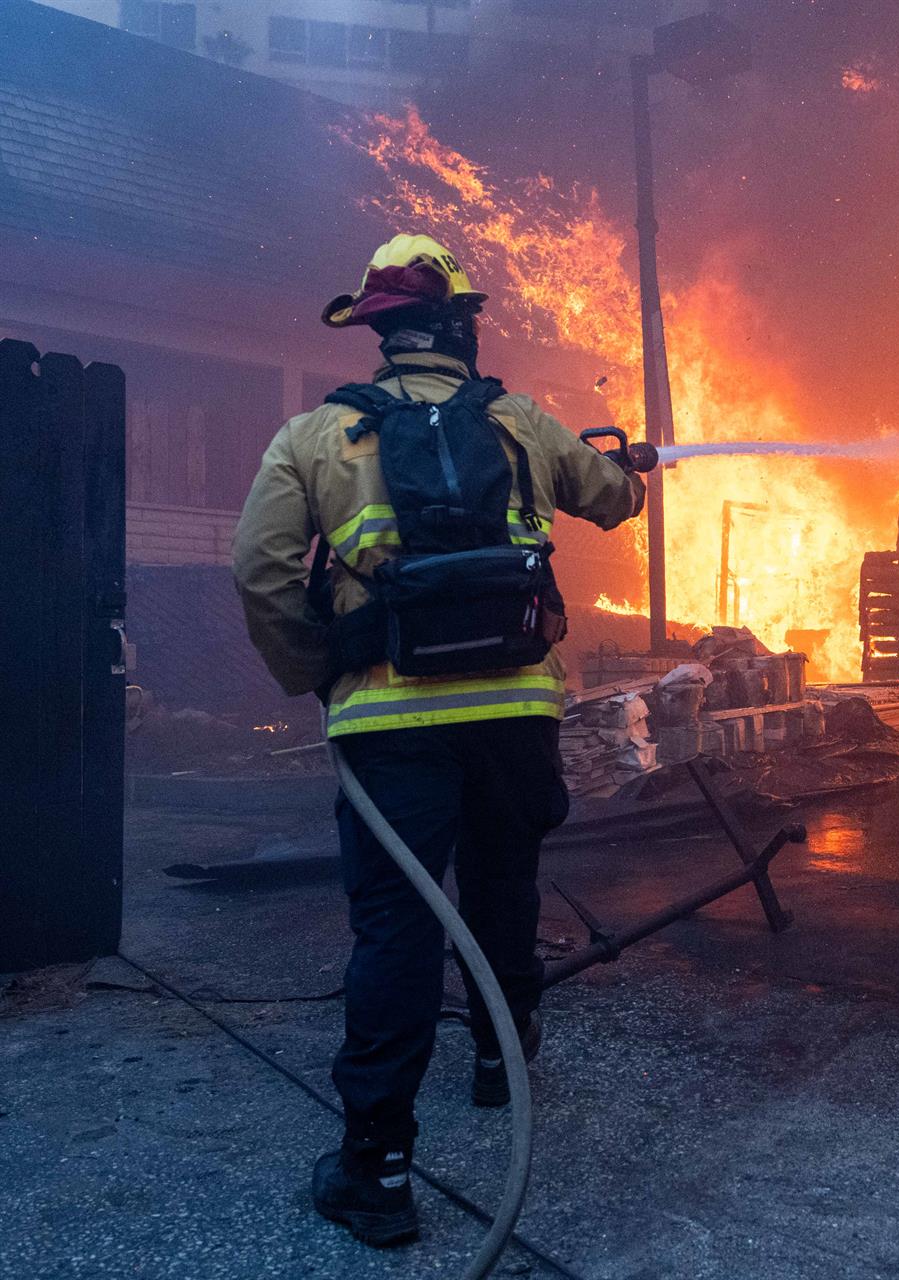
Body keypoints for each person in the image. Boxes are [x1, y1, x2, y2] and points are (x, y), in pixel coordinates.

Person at [232, 234, 644, 1247]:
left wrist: (316, 666)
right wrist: (627, 471)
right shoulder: (518, 421)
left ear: (380, 335)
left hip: (388, 723)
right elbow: (611, 498)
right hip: (514, 715)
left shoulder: (317, 435)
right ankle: (502, 1057)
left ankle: (375, 1169)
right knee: (503, 888)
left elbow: (261, 569)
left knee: (398, 929)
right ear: (462, 328)